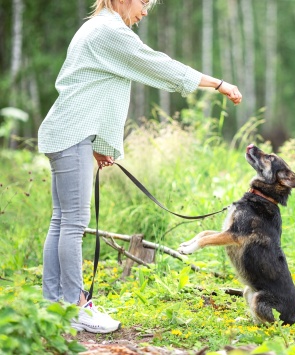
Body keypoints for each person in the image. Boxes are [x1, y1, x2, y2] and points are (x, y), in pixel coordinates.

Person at [38, 0, 242, 334]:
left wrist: (101, 145)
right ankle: (74, 307)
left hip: (67, 132)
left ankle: (53, 305)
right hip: (71, 134)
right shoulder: (110, 31)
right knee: (72, 223)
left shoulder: (95, 28)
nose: (145, 11)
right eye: (144, 2)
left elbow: (97, 90)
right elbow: (159, 66)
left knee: (62, 221)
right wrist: (217, 83)